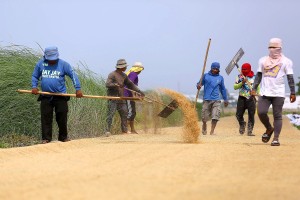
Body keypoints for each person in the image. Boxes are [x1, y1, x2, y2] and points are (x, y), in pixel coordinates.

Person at [31, 46, 83, 144]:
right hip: (45, 96)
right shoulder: (41, 64)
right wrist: (34, 86)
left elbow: (73, 75)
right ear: (45, 56)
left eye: (53, 59)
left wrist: (78, 89)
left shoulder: (63, 64)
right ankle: (46, 138)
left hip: (60, 96)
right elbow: (34, 76)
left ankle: (63, 137)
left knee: (62, 117)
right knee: (46, 117)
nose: (52, 61)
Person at [251, 38, 296, 146]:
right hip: (265, 92)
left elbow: (290, 77)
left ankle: (276, 138)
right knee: (261, 112)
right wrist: (253, 88)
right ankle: (269, 128)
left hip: (278, 93)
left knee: (277, 116)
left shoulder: (286, 61)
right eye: (270, 47)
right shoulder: (263, 60)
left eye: (274, 47)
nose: (272, 50)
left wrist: (292, 92)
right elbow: (258, 75)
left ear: (279, 48)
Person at [105, 59, 144, 137]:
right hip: (113, 98)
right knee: (110, 115)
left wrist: (139, 91)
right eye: (125, 66)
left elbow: (131, 85)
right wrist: (116, 85)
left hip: (122, 98)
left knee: (124, 114)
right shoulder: (112, 74)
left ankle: (124, 130)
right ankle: (107, 131)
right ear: (121, 67)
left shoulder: (124, 75)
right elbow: (107, 84)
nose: (126, 68)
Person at [196, 62, 229, 135]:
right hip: (206, 99)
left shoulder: (220, 78)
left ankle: (212, 131)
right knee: (204, 117)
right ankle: (204, 126)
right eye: (213, 68)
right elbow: (199, 84)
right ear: (211, 68)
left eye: (216, 69)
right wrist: (198, 86)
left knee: (215, 116)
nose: (215, 70)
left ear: (218, 69)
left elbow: (223, 89)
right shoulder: (205, 76)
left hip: (216, 100)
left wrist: (225, 99)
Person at [234, 63, 259, 136]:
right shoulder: (239, 77)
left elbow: (258, 87)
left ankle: (250, 131)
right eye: (243, 69)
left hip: (251, 98)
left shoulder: (255, 78)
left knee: (251, 115)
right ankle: (242, 124)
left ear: (249, 69)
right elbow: (235, 87)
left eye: (245, 69)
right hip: (241, 97)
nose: (244, 70)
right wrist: (242, 83)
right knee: (238, 114)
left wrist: (256, 93)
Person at [124, 61, 144, 134]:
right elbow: (131, 85)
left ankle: (132, 129)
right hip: (127, 95)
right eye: (140, 70)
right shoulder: (133, 74)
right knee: (130, 112)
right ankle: (125, 130)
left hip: (130, 95)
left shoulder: (133, 74)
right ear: (138, 69)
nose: (141, 72)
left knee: (133, 112)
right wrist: (133, 96)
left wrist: (137, 95)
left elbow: (135, 87)